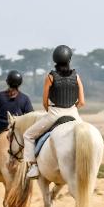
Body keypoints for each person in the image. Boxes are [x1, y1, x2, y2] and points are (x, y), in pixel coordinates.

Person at [24, 45, 85, 179]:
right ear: (70, 59)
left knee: (28, 135)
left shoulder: (50, 77)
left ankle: (33, 166)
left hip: (54, 113)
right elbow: (82, 102)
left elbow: (45, 102)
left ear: (55, 60)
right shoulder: (76, 76)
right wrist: (72, 108)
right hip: (74, 115)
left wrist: (50, 111)